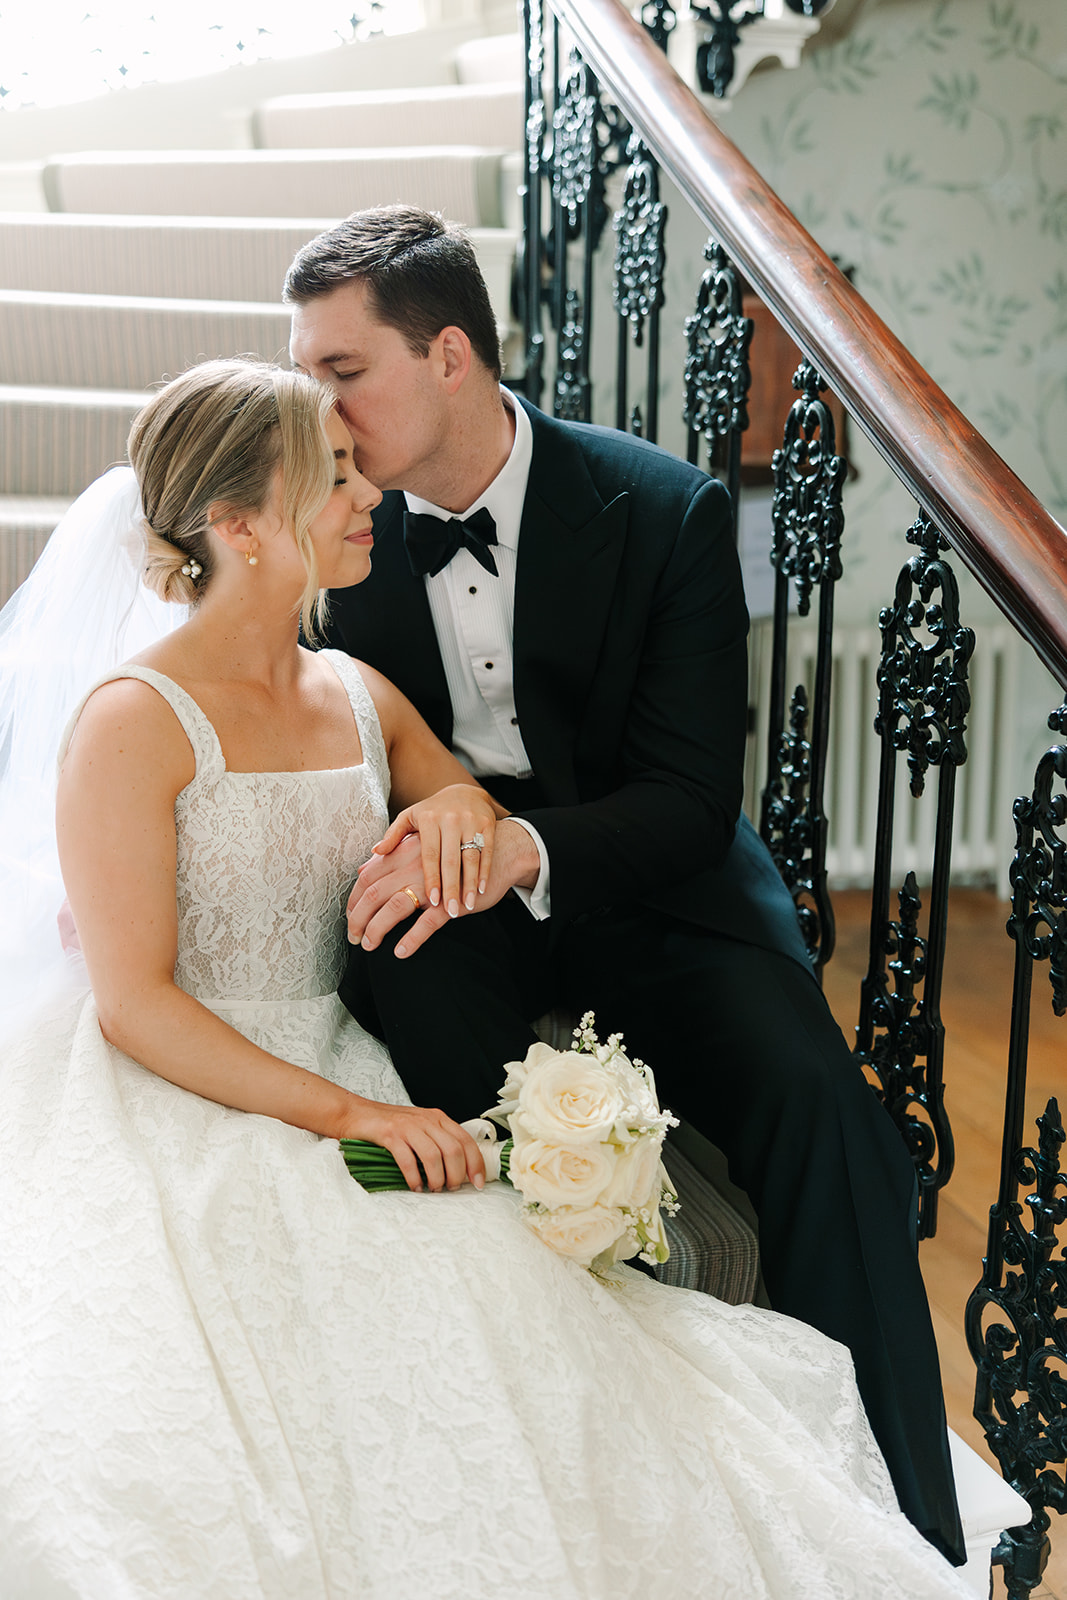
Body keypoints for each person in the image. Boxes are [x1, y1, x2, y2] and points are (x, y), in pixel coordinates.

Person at [0, 358, 973, 1599]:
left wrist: (452, 809)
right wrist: (356, 1113)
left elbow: (451, 781)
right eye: (334, 477)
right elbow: (134, 1002)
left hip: (345, 1051)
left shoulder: (353, 690)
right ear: (240, 526)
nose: (369, 497)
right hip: (193, 1084)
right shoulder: (131, 720)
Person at [285, 205, 966, 1565]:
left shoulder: (660, 511)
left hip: (652, 887)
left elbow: (682, 801)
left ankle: (907, 1536)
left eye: (340, 374)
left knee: (818, 1105)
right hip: (452, 910)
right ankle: (586, 1472)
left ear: (453, 359)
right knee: (415, 1012)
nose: (320, 412)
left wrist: (520, 847)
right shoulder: (328, 532)